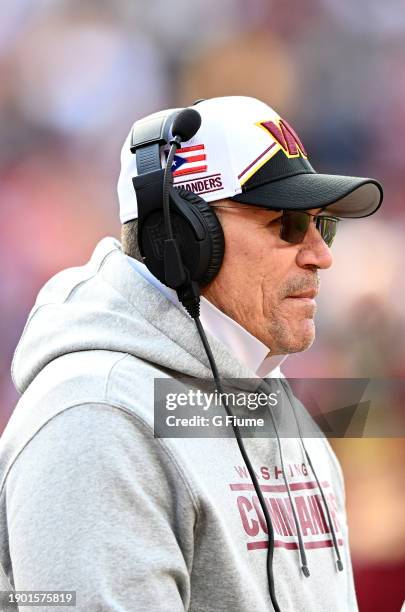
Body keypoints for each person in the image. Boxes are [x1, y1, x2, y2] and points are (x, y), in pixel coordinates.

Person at [0, 96, 383, 611]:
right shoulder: (96, 418)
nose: (321, 255)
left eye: (324, 225)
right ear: (183, 237)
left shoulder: (275, 398)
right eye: (289, 224)